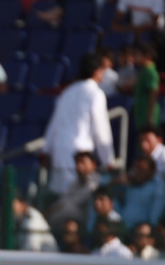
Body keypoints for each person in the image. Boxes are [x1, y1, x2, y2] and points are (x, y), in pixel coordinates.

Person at [42, 54, 115, 195]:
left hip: (60, 149)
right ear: (97, 71)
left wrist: (47, 150)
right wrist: (108, 160)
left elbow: (54, 123)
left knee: (62, 195)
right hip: (80, 154)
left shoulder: (67, 92)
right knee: (77, 196)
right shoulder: (96, 94)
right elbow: (101, 130)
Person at [46, 151, 100, 232]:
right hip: (69, 220)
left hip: (89, 222)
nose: (79, 166)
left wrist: (51, 212)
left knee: (66, 207)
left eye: (83, 162)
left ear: (93, 165)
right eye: (77, 162)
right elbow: (62, 200)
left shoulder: (98, 181)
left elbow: (73, 202)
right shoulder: (74, 183)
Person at [119, 155, 165, 230]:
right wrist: (115, 182)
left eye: (141, 169)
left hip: (141, 232)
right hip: (122, 227)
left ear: (152, 170)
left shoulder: (158, 187)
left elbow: (155, 217)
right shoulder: (129, 182)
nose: (137, 171)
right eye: (136, 168)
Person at [132, 43, 160, 130]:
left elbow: (153, 94)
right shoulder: (143, 71)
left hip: (147, 114)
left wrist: (150, 118)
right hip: (141, 113)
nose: (135, 57)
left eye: (138, 54)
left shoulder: (150, 71)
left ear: (147, 56)